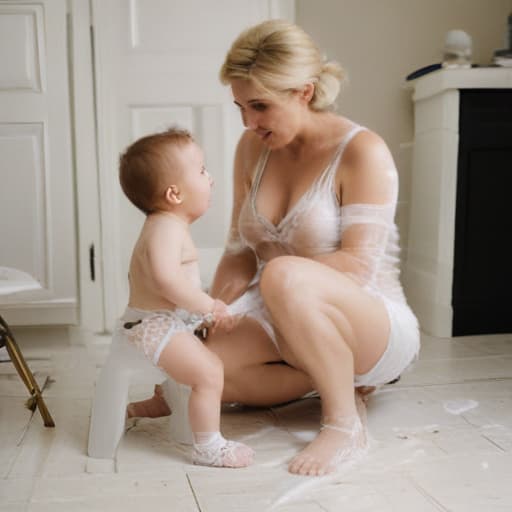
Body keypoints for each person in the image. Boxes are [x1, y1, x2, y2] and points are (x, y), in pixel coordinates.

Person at [128, 19, 420, 477]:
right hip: (283, 311)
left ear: (303, 91)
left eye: (260, 106)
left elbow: (359, 264)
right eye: (241, 106)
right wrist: (214, 312)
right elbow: (239, 252)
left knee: (281, 272)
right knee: (209, 369)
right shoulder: (252, 147)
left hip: (372, 318)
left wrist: (274, 283)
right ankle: (335, 380)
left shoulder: (362, 150)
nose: (248, 122)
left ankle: (344, 423)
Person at [118, 128, 254, 468]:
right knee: (209, 372)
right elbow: (166, 280)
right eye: (202, 170)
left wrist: (202, 313)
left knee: (201, 350)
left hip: (161, 321)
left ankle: (161, 399)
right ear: (175, 194)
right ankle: (208, 446)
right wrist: (207, 305)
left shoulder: (167, 224)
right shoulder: (165, 228)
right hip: (151, 326)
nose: (211, 178)